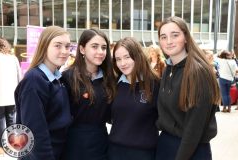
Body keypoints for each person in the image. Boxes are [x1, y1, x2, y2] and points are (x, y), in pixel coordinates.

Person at [156, 16, 220, 160]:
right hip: (166, 144)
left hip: (190, 149)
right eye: (163, 37)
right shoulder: (168, 69)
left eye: (175, 35)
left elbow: (194, 128)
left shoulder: (198, 72)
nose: (169, 41)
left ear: (186, 37)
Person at [15, 26, 72, 160]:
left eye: (67, 46)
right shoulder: (34, 80)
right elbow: (35, 132)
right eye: (57, 46)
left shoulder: (58, 78)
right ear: (44, 46)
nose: (64, 51)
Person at [61, 28, 116, 160]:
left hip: (101, 143)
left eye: (103, 47)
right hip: (74, 145)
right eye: (94, 47)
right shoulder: (68, 77)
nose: (100, 52)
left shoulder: (110, 78)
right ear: (82, 49)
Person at [108, 37, 160, 160]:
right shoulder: (114, 85)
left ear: (137, 56)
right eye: (118, 59)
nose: (123, 63)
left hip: (144, 153)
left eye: (127, 57)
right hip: (115, 152)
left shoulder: (155, 84)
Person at [0, 37, 21, 155]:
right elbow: (19, 76)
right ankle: (13, 144)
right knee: (12, 119)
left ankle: (1, 147)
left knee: (0, 120)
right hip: (12, 95)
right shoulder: (13, 58)